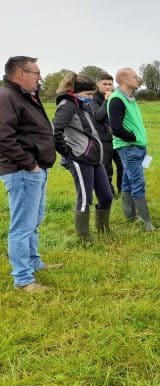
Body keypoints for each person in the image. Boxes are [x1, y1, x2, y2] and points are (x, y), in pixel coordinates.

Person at [0, 56, 62, 292]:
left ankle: (34, 262)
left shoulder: (24, 96)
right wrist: (29, 164)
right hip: (22, 171)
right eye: (36, 73)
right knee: (22, 226)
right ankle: (23, 279)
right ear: (20, 74)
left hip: (35, 169)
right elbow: (3, 138)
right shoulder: (6, 97)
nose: (40, 78)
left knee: (33, 221)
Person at [53, 72, 113, 241]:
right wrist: (68, 153)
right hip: (80, 159)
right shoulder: (67, 105)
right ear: (75, 92)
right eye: (87, 94)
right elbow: (55, 130)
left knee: (106, 196)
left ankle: (103, 228)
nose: (90, 98)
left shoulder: (82, 105)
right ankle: (84, 236)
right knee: (85, 197)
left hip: (94, 158)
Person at [108, 67, 155, 230]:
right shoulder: (117, 99)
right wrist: (133, 137)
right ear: (124, 80)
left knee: (128, 181)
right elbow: (115, 127)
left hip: (137, 147)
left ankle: (130, 215)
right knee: (138, 182)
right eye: (134, 77)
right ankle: (146, 221)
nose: (138, 79)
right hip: (128, 148)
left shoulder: (130, 98)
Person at [89, 73, 123, 196]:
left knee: (122, 166)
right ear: (98, 84)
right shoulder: (93, 99)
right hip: (103, 139)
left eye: (110, 84)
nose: (108, 87)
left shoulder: (116, 97)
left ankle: (123, 191)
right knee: (107, 169)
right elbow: (97, 116)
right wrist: (106, 101)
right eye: (105, 84)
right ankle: (110, 194)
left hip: (118, 138)